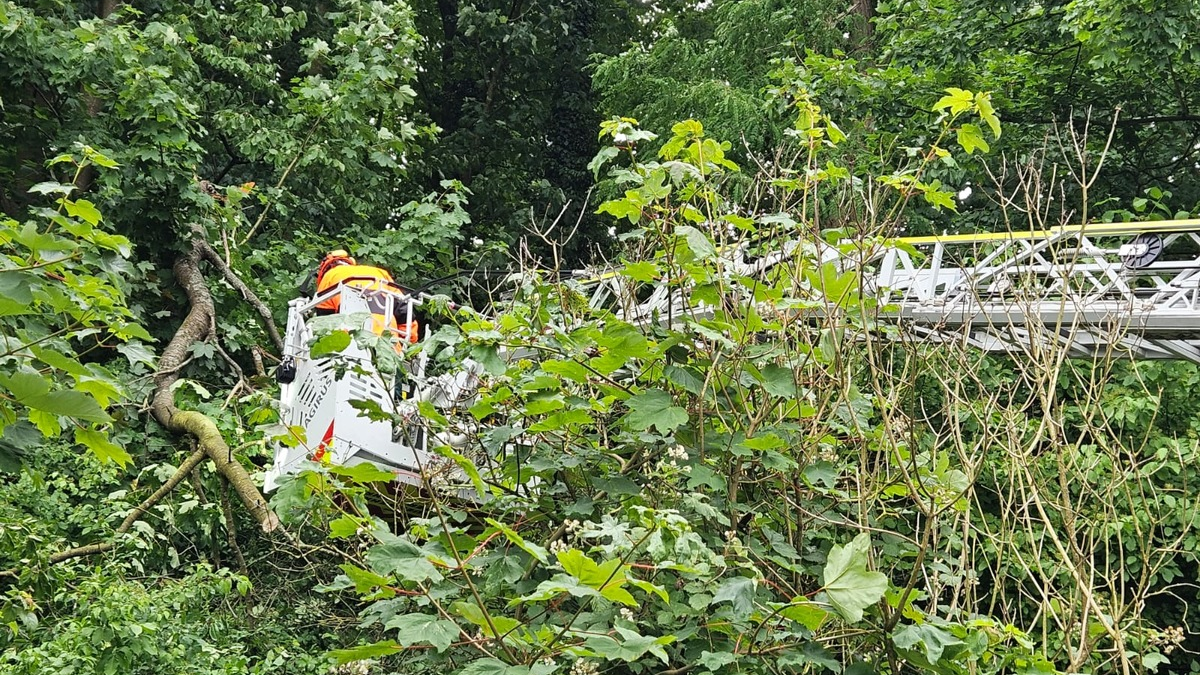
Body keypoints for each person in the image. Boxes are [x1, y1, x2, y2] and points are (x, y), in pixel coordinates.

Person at [311, 250, 419, 345]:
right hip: (387, 343)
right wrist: (407, 343)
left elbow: (324, 324)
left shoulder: (329, 276)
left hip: (351, 343)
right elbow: (404, 312)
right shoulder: (380, 273)